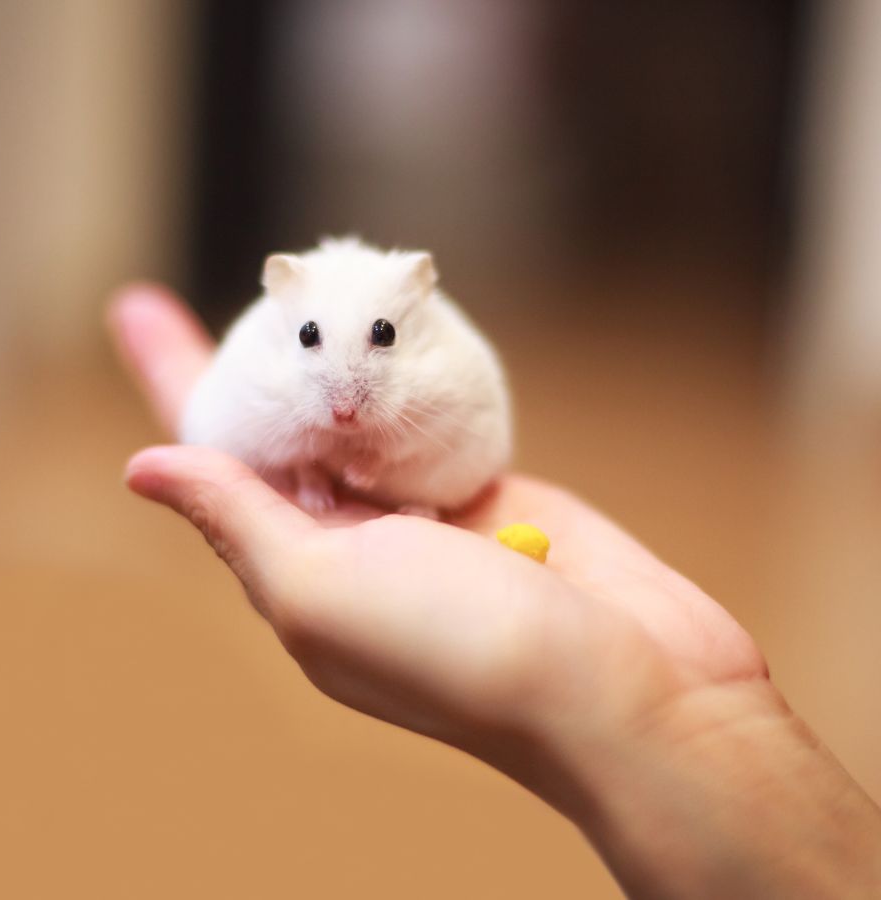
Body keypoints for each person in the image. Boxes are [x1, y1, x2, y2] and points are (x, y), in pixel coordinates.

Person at [108, 283, 881, 899]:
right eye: (312, 341)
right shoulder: (264, 347)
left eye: (381, 339)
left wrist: (403, 471)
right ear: (287, 320)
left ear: (415, 312)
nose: (345, 399)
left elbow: (463, 434)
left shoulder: (445, 357)